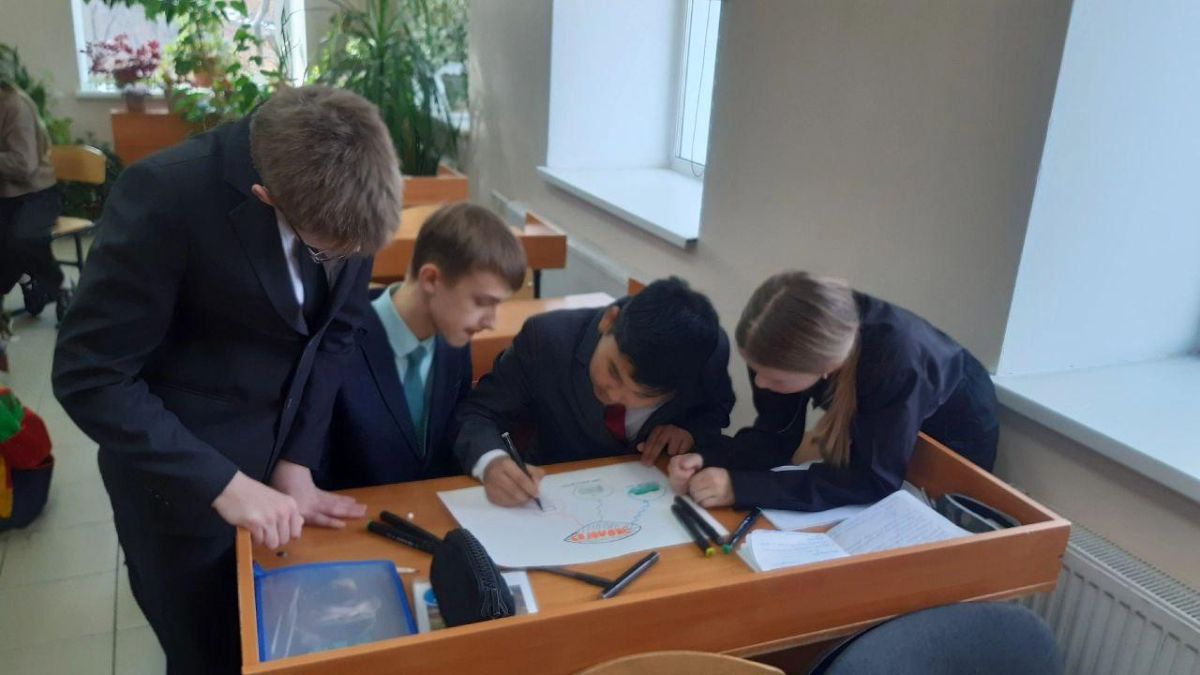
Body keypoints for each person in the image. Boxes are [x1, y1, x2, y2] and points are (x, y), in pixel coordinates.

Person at [52, 85, 403, 674]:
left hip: (280, 474)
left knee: (283, 651)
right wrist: (223, 483)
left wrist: (296, 461)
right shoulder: (165, 194)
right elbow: (90, 375)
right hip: (181, 488)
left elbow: (335, 334)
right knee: (207, 656)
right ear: (266, 199)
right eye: (327, 253)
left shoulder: (352, 190)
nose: (347, 262)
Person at [671, 270, 998, 511]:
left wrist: (740, 488)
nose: (760, 384)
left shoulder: (894, 363)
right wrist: (709, 457)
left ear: (826, 368)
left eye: (775, 380)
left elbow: (873, 480)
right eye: (756, 370)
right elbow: (776, 436)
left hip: (953, 429)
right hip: (889, 416)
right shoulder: (776, 348)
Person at [456, 277, 735, 507]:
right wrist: (491, 462)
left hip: (654, 497)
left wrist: (690, 431)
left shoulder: (707, 356)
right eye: (613, 371)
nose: (615, 396)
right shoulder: (547, 340)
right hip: (551, 494)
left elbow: (715, 409)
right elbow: (477, 413)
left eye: (642, 397)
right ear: (609, 321)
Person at [317, 202, 526, 489]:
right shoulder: (338, 339)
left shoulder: (453, 337)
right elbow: (314, 469)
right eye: (481, 302)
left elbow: (452, 433)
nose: (491, 322)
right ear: (431, 279)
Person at [0, 68, 69, 320]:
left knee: (23, 239)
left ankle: (61, 285)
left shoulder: (14, 105)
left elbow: (23, 164)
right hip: (4, 195)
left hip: (36, 193)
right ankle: (29, 280)